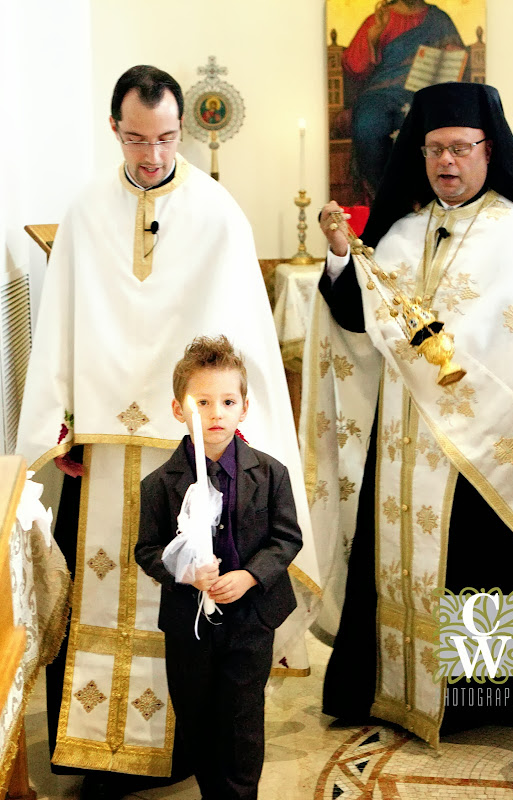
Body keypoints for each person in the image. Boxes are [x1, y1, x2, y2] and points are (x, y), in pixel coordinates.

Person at [16, 65, 318, 799]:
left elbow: (241, 337)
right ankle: (95, 755)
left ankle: (182, 750)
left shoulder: (218, 212)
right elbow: (60, 327)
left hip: (194, 452)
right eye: (135, 138)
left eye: (166, 137)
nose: (152, 154)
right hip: (109, 448)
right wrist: (62, 427)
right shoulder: (86, 211)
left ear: (181, 129)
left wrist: (235, 434)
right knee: (103, 590)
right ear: (113, 129)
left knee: (186, 599)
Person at [302, 81, 513, 747]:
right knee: (390, 563)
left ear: (489, 151)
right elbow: (354, 317)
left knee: (479, 562)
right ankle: (385, 688)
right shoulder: (400, 234)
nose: (447, 163)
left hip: (483, 447)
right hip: (401, 439)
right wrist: (343, 256)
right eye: (435, 150)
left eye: (460, 149)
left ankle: (481, 698)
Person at [135, 335, 302, 800]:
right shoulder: (159, 484)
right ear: (177, 409)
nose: (216, 413)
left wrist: (250, 575)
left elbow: (288, 538)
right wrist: (182, 571)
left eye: (228, 401)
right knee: (198, 718)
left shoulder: (270, 474)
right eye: (202, 402)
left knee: (242, 721)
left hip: (251, 621)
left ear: (244, 408)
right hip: (189, 626)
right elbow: (147, 550)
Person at [341, 0, 463, 200]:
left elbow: (456, 61)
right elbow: (354, 66)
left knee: (418, 125)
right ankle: (380, 196)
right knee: (367, 124)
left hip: (422, 92)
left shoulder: (439, 20)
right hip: (380, 92)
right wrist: (373, 37)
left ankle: (417, 199)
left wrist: (452, 52)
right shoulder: (380, 19)